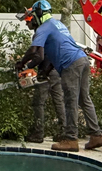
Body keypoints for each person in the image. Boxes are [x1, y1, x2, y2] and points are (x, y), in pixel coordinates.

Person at [15, 0, 102, 152]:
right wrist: (45, 71)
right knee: (84, 99)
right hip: (82, 60)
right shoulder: (58, 24)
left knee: (70, 100)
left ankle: (71, 139)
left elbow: (33, 51)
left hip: (71, 64)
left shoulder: (43, 28)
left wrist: (21, 63)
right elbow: (57, 50)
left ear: (37, 14)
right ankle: (96, 135)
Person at [18, 8, 68, 143]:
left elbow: (38, 56)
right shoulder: (49, 29)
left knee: (38, 103)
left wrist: (25, 66)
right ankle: (65, 132)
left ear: (34, 20)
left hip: (47, 72)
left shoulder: (40, 33)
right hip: (56, 69)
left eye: (28, 21)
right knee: (59, 101)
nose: (26, 24)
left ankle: (38, 134)